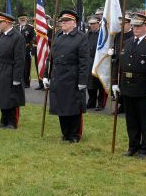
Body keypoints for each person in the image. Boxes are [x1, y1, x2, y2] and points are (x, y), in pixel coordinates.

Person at [112, 13, 146, 159]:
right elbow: (118, 64)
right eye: (134, 25)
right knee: (131, 120)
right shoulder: (127, 42)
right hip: (127, 86)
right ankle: (133, 146)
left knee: (145, 120)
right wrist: (115, 83)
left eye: (139, 26)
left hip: (143, 88)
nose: (136, 28)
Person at [43, 10, 89, 143]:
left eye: (66, 21)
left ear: (73, 23)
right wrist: (46, 75)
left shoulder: (80, 37)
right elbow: (50, 57)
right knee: (61, 106)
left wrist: (82, 80)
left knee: (73, 107)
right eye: (62, 21)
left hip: (72, 77)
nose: (63, 23)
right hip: (58, 76)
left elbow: (84, 61)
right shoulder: (58, 35)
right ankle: (65, 133)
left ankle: (74, 135)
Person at [0, 12, 26, 129]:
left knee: (11, 98)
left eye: (1, 22)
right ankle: (3, 121)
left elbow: (20, 60)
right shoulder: (1, 35)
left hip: (10, 70)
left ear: (8, 22)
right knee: (1, 97)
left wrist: (17, 78)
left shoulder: (17, 37)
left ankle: (12, 122)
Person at [109, 13, 134, 113]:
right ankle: (121, 105)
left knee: (126, 86)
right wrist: (112, 52)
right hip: (118, 62)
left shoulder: (133, 35)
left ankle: (127, 106)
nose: (122, 26)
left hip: (128, 64)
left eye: (124, 24)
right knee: (118, 85)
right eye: (121, 24)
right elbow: (116, 47)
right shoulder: (118, 35)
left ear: (129, 24)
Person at [86, 15, 107, 111]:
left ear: (98, 23)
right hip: (89, 61)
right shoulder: (88, 34)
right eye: (91, 24)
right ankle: (91, 102)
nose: (92, 25)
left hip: (100, 62)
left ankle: (100, 103)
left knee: (100, 84)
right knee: (90, 84)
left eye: (94, 23)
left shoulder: (103, 34)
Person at [16, 13, 35, 88]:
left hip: (26, 49)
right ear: (18, 20)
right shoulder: (16, 28)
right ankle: (20, 81)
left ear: (26, 19)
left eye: (24, 18)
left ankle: (26, 82)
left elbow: (33, 39)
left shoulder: (30, 28)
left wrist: (31, 49)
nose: (22, 19)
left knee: (26, 66)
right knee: (18, 65)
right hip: (17, 50)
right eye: (20, 18)